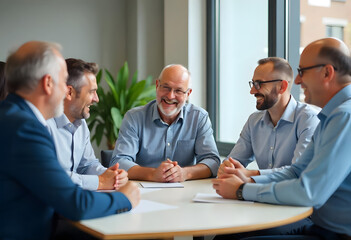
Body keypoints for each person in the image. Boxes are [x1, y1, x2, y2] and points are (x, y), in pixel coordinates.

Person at [213, 37, 351, 239]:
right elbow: (297, 171)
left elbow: (308, 192)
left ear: (327, 72)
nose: (298, 80)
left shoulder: (344, 116)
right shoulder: (330, 116)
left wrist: (243, 190)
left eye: (302, 72)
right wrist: (247, 179)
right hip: (320, 228)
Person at [0, 41, 140, 240]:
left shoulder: (13, 117)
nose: (66, 91)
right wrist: (124, 198)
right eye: (63, 81)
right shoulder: (25, 129)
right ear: (48, 83)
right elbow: (76, 205)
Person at [110, 64, 220, 182]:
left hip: (185, 192)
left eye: (178, 90)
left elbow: (213, 162)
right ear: (157, 85)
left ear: (188, 94)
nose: (170, 96)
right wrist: (152, 174)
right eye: (166, 87)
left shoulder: (199, 118)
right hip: (143, 192)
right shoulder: (134, 118)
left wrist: (185, 173)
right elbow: (119, 162)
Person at [217, 57, 319, 179]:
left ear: (282, 87)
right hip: (258, 195)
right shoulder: (253, 121)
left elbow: (299, 172)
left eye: (259, 84)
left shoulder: (308, 120)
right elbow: (232, 162)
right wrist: (227, 168)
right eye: (253, 83)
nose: (252, 91)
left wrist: (251, 175)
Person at [47, 58, 127, 191]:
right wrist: (100, 182)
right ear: (69, 92)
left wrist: (111, 175)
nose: (97, 99)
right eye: (91, 92)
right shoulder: (42, 125)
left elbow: (87, 165)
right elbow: (50, 176)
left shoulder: (81, 124)